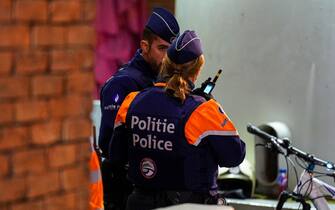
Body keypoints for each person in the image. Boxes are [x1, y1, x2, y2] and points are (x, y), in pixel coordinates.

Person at [109, 30, 246, 210]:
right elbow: (235, 156)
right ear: (197, 70)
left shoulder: (131, 101)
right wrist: (212, 104)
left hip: (138, 202)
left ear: (165, 63)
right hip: (188, 205)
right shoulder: (203, 110)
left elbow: (116, 156)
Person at [98, 7, 180, 210]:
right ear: (144, 46)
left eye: (171, 51)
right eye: (162, 49)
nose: (167, 57)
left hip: (155, 187)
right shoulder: (122, 84)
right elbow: (109, 144)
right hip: (124, 191)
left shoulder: (163, 81)